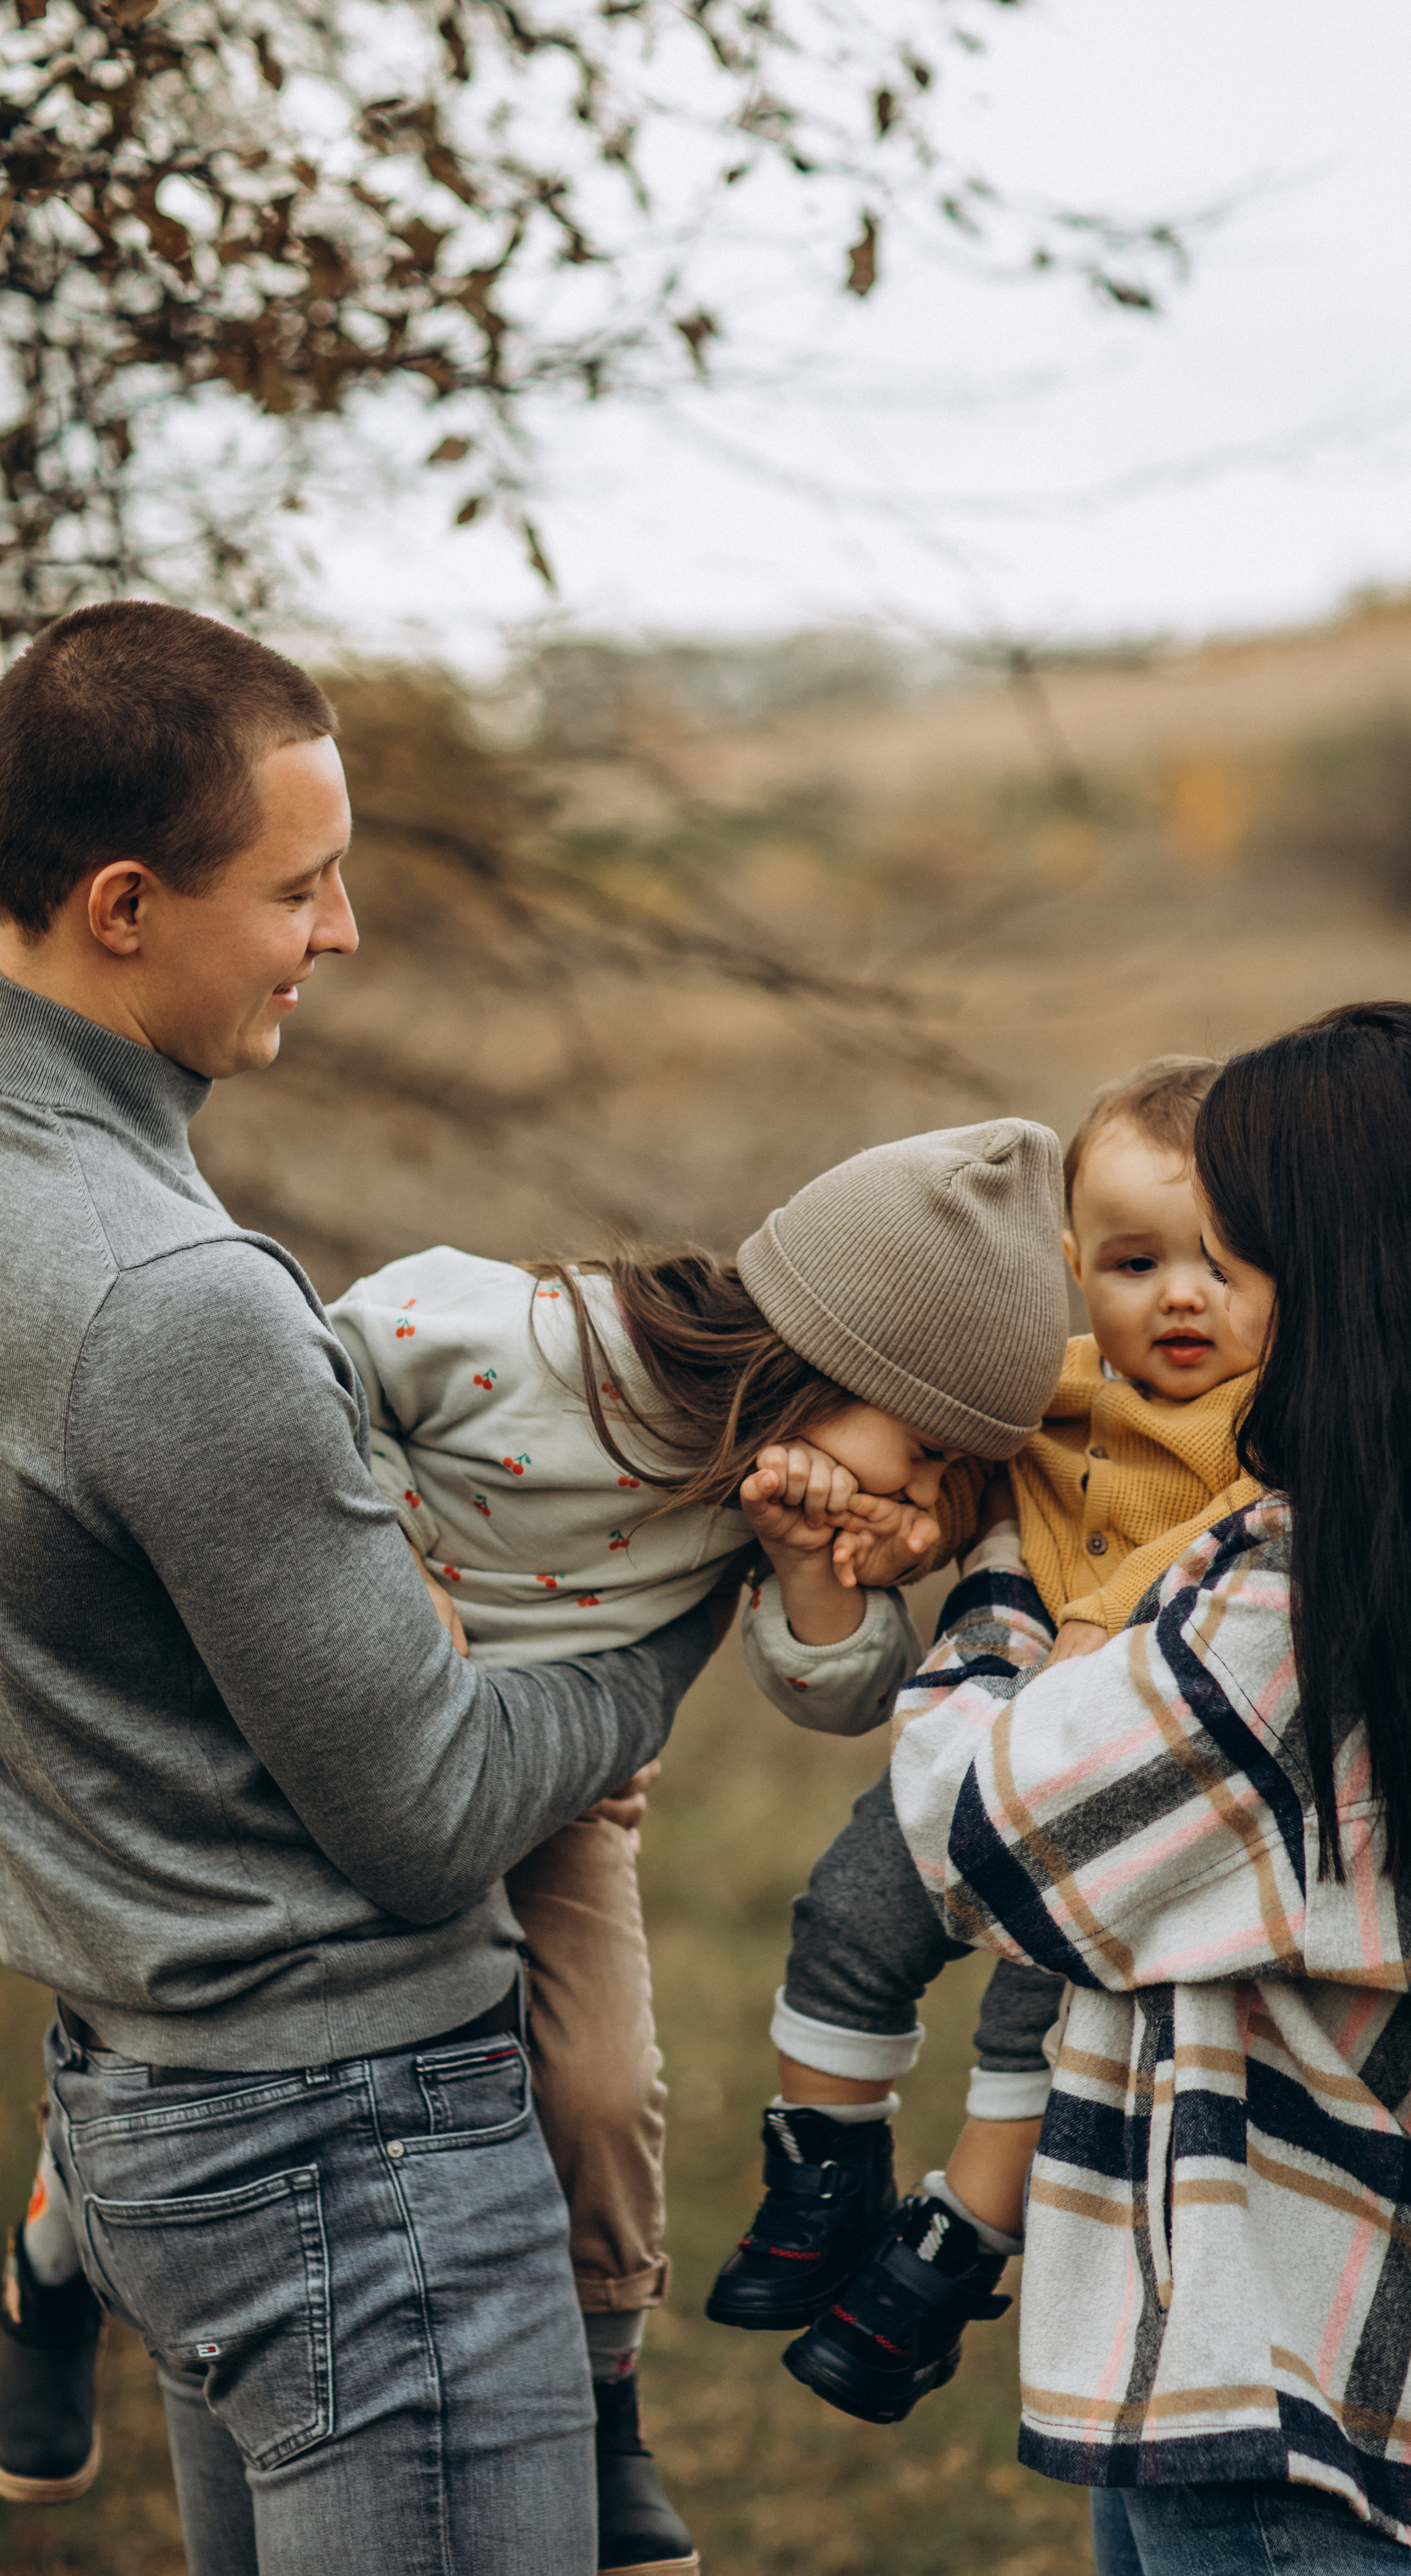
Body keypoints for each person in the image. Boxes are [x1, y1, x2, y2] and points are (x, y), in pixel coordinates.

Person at [0, 600, 723, 2575]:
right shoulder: (165, 1298)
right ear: (125, 904)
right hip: (346, 2145)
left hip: (159, 2104)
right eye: (301, 889)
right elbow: (421, 1819)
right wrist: (677, 1599)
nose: (344, 935)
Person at [892, 1000, 1411, 2573]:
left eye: (1247, 1250)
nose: (1217, 1297)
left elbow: (973, 1828)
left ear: (1353, 1277)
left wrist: (1000, 1576)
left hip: (1275, 2355)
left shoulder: (1308, 1621)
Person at [320, 1114, 1070, 2570]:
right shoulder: (527, 1340)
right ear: (834, 1356)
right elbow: (315, 1372)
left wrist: (804, 1567)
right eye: (921, 1457)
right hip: (348, 1736)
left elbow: (839, 1697)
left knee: (602, 2090)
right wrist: (392, 1561)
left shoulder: (769, 1497)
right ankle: (59, 2242)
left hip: (558, 1796)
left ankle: (604, 2408)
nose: (913, 1507)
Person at [707, 1059, 1263, 2426]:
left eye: (1224, 1264)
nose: (1177, 1297)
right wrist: (898, 1533)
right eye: (1135, 1264)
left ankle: (952, 2251)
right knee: (844, 1913)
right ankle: (820, 2171)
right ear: (1075, 1268)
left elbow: (1253, 1543)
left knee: (1043, 2015)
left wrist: (1106, 1617)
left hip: (1124, 1795)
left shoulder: (1277, 1423)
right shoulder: (1049, 1398)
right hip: (981, 1748)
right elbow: (959, 1488)